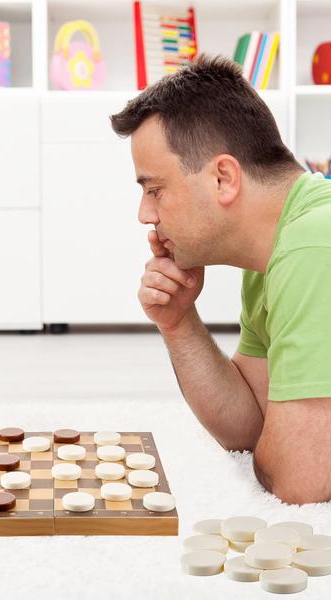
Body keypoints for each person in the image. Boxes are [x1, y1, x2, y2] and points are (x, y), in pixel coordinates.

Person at [111, 54, 331, 504]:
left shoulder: (313, 245)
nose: (144, 214)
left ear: (224, 178)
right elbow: (247, 427)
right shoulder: (273, 252)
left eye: (155, 190)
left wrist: (285, 439)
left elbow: (300, 480)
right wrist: (178, 322)